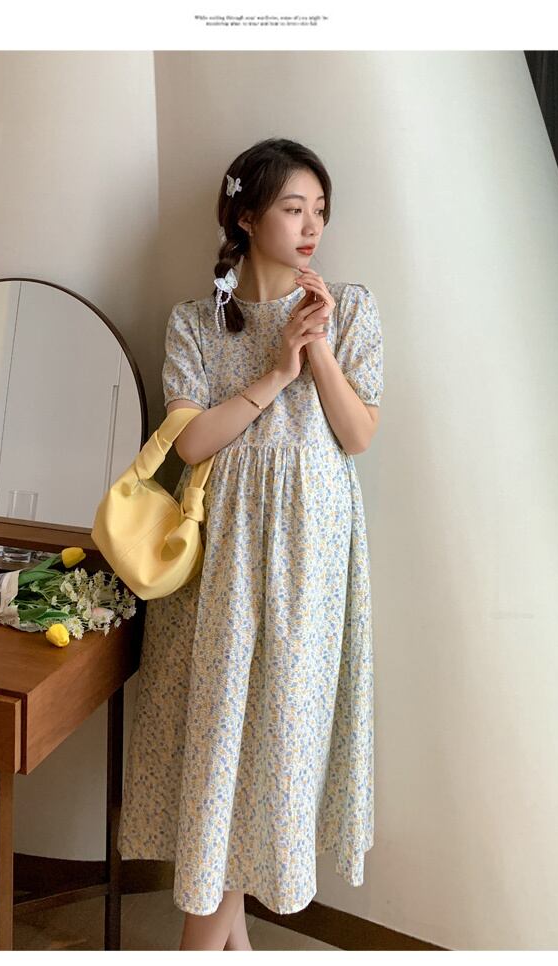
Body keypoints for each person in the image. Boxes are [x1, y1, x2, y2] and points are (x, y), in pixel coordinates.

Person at [118, 137, 384, 951]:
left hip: (309, 562)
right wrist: (276, 371)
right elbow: (193, 443)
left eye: (320, 210)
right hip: (219, 561)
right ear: (245, 216)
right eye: (293, 208)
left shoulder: (351, 306)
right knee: (217, 746)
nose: (312, 227)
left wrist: (318, 347)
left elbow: (357, 435)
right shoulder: (196, 323)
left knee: (271, 744)